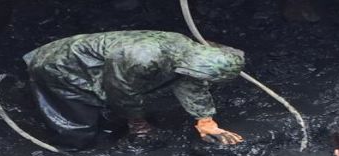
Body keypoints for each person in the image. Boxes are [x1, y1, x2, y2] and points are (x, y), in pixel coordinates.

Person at [23, 31, 245, 148]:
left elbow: (189, 82)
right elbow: (121, 91)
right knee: (78, 119)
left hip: (102, 62)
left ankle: (107, 125)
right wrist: (138, 125)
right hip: (62, 65)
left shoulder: (188, 53)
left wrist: (205, 120)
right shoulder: (142, 58)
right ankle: (70, 150)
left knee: (111, 108)